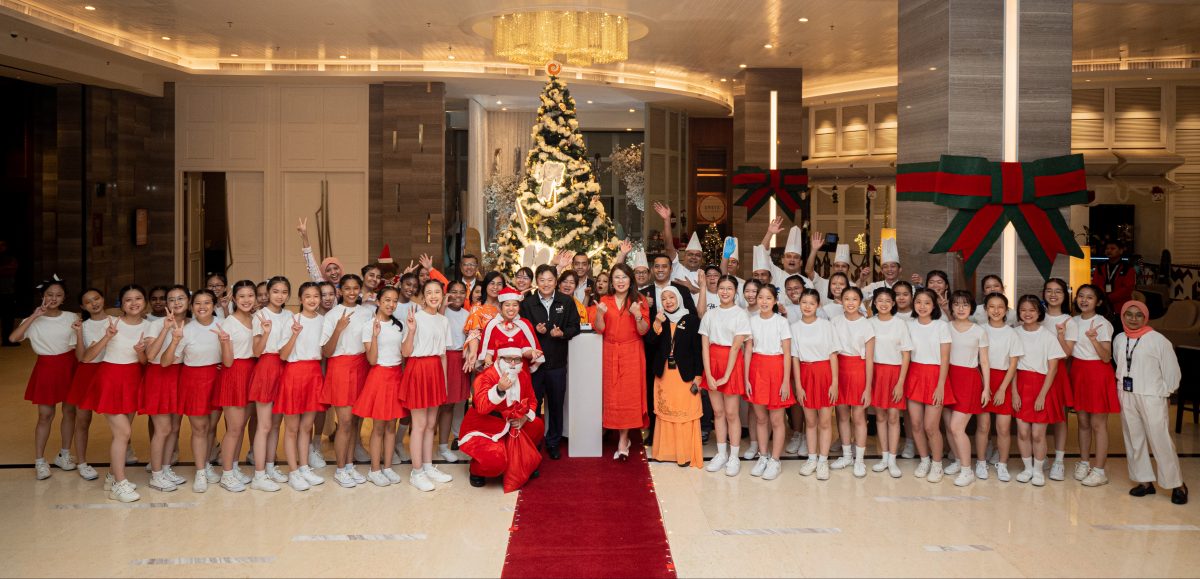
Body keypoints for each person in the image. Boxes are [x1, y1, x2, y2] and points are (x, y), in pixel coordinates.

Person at [80, 285, 148, 503]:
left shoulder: (150, 326)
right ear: (121, 304)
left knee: (123, 434)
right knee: (123, 433)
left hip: (132, 380)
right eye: (128, 299)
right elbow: (87, 357)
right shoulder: (112, 323)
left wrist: (140, 353)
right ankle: (119, 484)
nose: (134, 303)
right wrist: (107, 337)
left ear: (144, 301)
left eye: (138, 298)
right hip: (109, 379)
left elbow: (145, 362)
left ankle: (112, 476)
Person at [1115, 300, 1187, 505]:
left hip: (1152, 395)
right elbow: (1118, 362)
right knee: (1134, 439)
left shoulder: (1158, 340)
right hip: (1127, 393)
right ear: (1123, 315)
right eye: (1129, 314)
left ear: (1145, 317)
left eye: (1139, 315)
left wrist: (1164, 392)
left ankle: (1177, 484)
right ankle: (1145, 482)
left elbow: (1172, 371)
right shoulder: (1120, 339)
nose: (1134, 319)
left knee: (1160, 440)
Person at [11, 278, 78, 480]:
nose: (53, 298)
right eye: (50, 294)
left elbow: (77, 342)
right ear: (43, 296)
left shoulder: (71, 316)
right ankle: (40, 460)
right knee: (45, 415)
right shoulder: (33, 319)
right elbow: (14, 338)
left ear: (64, 298)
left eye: (58, 295)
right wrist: (34, 315)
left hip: (69, 365)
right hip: (47, 367)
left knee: (69, 411)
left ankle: (64, 454)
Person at [161, 290, 224, 493]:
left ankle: (205, 463)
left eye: (207, 302)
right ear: (191, 306)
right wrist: (176, 340)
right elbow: (165, 362)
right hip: (194, 381)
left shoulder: (223, 323)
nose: (202, 306)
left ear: (214, 305)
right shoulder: (185, 329)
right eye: (198, 303)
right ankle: (200, 472)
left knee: (212, 427)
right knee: (200, 428)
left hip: (217, 378)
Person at [458, 348, 544, 490]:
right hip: (485, 428)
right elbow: (481, 407)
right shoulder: (486, 376)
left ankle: (522, 458)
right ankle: (476, 470)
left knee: (537, 425)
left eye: (517, 360)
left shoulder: (522, 375)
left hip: (512, 424)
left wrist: (524, 418)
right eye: (508, 359)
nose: (513, 363)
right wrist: (499, 389)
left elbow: (532, 401)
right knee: (495, 461)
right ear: (499, 360)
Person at [398, 279, 455, 492]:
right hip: (418, 369)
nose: (433, 296)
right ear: (423, 296)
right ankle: (417, 471)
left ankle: (429, 465)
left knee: (432, 425)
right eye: (429, 292)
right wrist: (411, 330)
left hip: (435, 372)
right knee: (419, 425)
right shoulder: (415, 318)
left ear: (442, 295)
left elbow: (443, 355)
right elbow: (405, 352)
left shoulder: (443, 320)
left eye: (437, 292)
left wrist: (445, 383)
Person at [521, 265, 581, 460]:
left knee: (556, 405)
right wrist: (533, 330)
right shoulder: (528, 303)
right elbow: (521, 329)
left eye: (550, 280)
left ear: (556, 282)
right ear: (536, 282)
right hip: (535, 366)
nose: (546, 284)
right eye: (542, 280)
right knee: (534, 406)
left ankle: (553, 442)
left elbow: (575, 327)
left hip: (557, 364)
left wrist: (562, 333)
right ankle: (534, 442)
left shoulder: (566, 301)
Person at [320, 273, 373, 489]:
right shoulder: (332, 315)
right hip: (341, 367)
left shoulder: (367, 312)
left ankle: (349, 465)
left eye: (355, 288)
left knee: (354, 422)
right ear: (340, 291)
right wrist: (338, 329)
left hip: (361, 365)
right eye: (347, 288)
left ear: (360, 290)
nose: (351, 292)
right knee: (344, 422)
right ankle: (340, 468)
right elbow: (326, 350)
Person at [593, 264, 650, 460]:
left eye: (624, 277)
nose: (620, 281)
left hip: (632, 352)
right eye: (616, 277)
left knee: (628, 396)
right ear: (611, 281)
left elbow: (643, 330)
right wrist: (600, 314)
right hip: (609, 351)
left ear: (630, 280)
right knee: (612, 394)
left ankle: (623, 440)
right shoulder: (604, 300)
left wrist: (637, 314)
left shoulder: (639, 300)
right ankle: (613, 430)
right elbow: (600, 329)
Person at [353, 286, 408, 487]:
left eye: (394, 301)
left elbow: (404, 354)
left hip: (396, 376)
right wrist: (375, 335)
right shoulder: (369, 326)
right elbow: (372, 360)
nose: (391, 304)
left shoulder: (399, 325)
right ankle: (374, 470)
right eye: (387, 300)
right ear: (378, 301)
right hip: (379, 375)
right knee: (378, 427)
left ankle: (387, 467)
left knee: (391, 427)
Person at [697, 275, 751, 476]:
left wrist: (727, 375)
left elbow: (737, 346)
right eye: (722, 288)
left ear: (735, 291)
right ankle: (720, 453)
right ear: (717, 290)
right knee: (717, 413)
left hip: (731, 363)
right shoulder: (710, 314)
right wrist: (709, 374)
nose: (725, 292)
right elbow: (704, 345)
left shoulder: (740, 314)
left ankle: (734, 456)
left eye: (729, 288)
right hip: (713, 363)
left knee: (731, 413)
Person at [275, 283, 327, 492]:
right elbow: (283, 355)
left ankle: (304, 467)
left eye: (316, 296)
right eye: (308, 296)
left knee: (307, 426)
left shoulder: (324, 321)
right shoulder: (292, 320)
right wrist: (295, 334)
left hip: (314, 374)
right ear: (300, 298)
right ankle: (293, 471)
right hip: (294, 374)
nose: (313, 300)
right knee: (292, 428)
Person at [1012, 295, 1067, 488]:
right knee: (1023, 431)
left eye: (1032, 310)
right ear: (1018, 312)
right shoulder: (1015, 333)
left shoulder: (1047, 336)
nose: (1027, 314)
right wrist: (1014, 392)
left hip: (1042, 385)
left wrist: (1042, 394)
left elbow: (1053, 369)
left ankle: (1038, 469)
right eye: (1023, 310)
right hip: (1020, 384)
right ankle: (1027, 468)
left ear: (1039, 312)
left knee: (1037, 433)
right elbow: (1012, 366)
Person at [647, 286, 704, 468]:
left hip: (685, 375)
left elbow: (698, 350)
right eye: (664, 299)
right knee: (665, 412)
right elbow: (650, 344)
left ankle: (684, 453)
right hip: (664, 375)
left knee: (684, 413)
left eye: (672, 297)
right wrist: (656, 323)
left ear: (679, 298)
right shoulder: (660, 319)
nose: (668, 301)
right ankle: (664, 452)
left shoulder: (692, 320)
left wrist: (698, 375)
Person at [213, 280, 261, 492]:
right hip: (235, 374)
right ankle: (227, 473)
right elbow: (228, 362)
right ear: (234, 299)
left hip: (252, 372)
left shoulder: (256, 319)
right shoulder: (228, 323)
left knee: (241, 426)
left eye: (250, 295)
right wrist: (224, 343)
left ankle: (233, 465)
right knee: (233, 428)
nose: (246, 300)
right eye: (241, 296)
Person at [247, 277, 294, 491]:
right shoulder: (260, 315)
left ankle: (269, 465)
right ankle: (258, 475)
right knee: (264, 425)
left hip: (284, 368)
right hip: (266, 367)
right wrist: (266, 332)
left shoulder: (290, 315)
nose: (280, 295)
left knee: (276, 424)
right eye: (276, 291)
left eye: (284, 292)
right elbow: (256, 351)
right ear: (268, 292)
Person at [743, 285, 793, 481]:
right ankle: (763, 456)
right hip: (757, 369)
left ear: (774, 301)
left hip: (777, 368)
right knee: (761, 418)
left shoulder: (781, 322)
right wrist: (747, 377)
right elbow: (748, 350)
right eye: (760, 297)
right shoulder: (751, 321)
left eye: (768, 298)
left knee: (777, 419)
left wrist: (785, 382)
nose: (763, 301)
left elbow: (787, 353)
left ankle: (775, 459)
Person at [1070, 284, 1118, 487]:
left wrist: (1094, 340)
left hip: (1098, 372)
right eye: (1081, 296)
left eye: (1089, 297)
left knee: (1098, 424)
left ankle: (1099, 470)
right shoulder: (1071, 321)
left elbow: (1107, 358)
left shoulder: (1102, 323)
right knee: (1082, 422)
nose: (1083, 300)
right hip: (1078, 372)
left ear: (1098, 302)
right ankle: (1084, 462)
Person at [142, 285, 189, 491]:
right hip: (159, 376)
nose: (176, 303)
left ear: (188, 301)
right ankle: (156, 473)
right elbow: (150, 355)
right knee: (162, 429)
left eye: (181, 298)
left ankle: (166, 467)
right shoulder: (155, 324)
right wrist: (165, 328)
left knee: (174, 428)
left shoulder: (192, 324)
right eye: (171, 299)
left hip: (179, 376)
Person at [790, 288, 839, 480]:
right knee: (810, 421)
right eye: (804, 303)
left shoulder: (826, 326)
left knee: (825, 421)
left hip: (824, 372)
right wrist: (799, 385)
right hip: (805, 373)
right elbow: (794, 358)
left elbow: (833, 354)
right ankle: (811, 458)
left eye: (812, 303)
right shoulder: (794, 328)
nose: (807, 306)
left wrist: (834, 382)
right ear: (799, 304)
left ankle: (823, 460)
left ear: (818, 305)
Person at [905, 288, 953, 483]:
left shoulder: (941, 326)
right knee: (915, 424)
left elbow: (945, 358)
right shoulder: (908, 325)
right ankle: (924, 459)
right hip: (914, 374)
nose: (922, 306)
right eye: (918, 302)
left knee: (931, 426)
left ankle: (937, 463)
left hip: (935, 376)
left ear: (933, 306)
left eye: (927, 302)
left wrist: (940, 385)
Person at [944, 291, 990, 487]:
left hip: (969, 379)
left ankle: (966, 470)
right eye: (957, 304)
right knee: (949, 426)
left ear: (972, 307)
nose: (961, 308)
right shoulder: (945, 328)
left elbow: (985, 362)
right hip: (948, 377)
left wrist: (986, 388)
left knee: (957, 427)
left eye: (965, 304)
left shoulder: (979, 331)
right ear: (951, 307)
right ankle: (957, 459)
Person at [829, 286, 874, 477]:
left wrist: (868, 387)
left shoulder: (866, 324)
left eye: (854, 299)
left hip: (858, 370)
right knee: (841, 414)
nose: (850, 302)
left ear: (860, 301)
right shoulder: (835, 321)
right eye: (846, 298)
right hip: (839, 369)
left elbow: (870, 359)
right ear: (841, 301)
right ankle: (847, 455)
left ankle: (860, 459)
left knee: (858, 416)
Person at [65, 288, 109, 482]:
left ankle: (125, 451)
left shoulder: (116, 322)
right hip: (87, 373)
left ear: (103, 299)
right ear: (83, 306)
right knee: (83, 419)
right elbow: (80, 357)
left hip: (109, 371)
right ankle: (82, 462)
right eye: (89, 301)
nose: (94, 303)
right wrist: (80, 332)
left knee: (120, 415)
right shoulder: (82, 326)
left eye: (97, 298)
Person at [868, 288, 910, 478]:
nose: (883, 304)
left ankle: (892, 458)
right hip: (876, 372)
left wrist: (900, 382)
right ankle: (884, 457)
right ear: (874, 303)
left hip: (895, 373)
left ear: (893, 304)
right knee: (880, 416)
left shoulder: (900, 324)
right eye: (879, 300)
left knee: (894, 416)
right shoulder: (869, 323)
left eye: (887, 300)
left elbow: (906, 354)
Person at [980, 292, 1022, 483]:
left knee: (1003, 428)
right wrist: (985, 386)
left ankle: (1002, 464)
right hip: (983, 381)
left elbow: (1013, 365)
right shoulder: (980, 330)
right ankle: (981, 462)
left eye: (1000, 307)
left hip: (1003, 381)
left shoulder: (1012, 333)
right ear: (985, 309)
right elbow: (977, 361)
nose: (996, 311)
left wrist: (1002, 389)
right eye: (992, 306)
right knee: (983, 426)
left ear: (1006, 310)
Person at [1042, 278, 1074, 481]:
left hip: (1059, 371)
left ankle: (1059, 461)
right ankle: (1041, 455)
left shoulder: (1070, 320)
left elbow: (1067, 353)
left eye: (1058, 291)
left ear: (1065, 295)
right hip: (1037, 371)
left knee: (1061, 417)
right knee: (1040, 415)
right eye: (1049, 290)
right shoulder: (1036, 315)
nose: (1053, 294)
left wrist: (1061, 335)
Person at [439, 281, 471, 462]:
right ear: (447, 293)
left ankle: (453, 438)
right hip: (446, 358)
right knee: (445, 404)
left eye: (461, 292)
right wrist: (442, 306)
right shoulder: (441, 312)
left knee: (458, 402)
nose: (457, 296)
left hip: (461, 359)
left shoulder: (468, 314)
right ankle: (442, 445)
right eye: (453, 292)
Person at [652, 203, 703, 296]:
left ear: (702, 259)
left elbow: (713, 296)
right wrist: (667, 220)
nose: (694, 257)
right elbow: (668, 247)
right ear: (684, 255)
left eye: (698, 255)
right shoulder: (676, 268)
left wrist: (692, 288)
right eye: (690, 254)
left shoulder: (705, 275)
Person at [760, 218, 813, 290]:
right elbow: (762, 254)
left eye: (796, 257)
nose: (792, 259)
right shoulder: (776, 274)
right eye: (788, 256)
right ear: (782, 260)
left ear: (801, 262)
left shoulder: (808, 283)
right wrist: (769, 233)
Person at [1092, 239, 1136, 313]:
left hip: (1121, 306)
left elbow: (1127, 289)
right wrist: (1102, 297)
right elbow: (1095, 285)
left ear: (1121, 251)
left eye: (1112, 248)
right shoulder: (1100, 267)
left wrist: (1108, 298)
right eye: (1107, 249)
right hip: (1102, 305)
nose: (1109, 251)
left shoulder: (1128, 268)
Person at [297, 217, 343, 285]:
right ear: (323, 274)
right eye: (328, 270)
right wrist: (305, 237)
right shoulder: (322, 286)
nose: (333, 272)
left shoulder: (349, 285)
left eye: (336, 268)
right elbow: (312, 266)